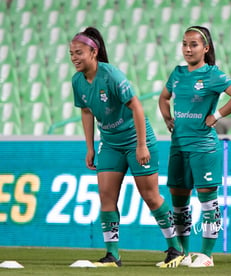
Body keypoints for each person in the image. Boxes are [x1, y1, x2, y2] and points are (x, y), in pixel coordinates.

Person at [70, 26, 184, 268]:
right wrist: (90, 147)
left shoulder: (112, 76)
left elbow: (137, 108)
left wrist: (141, 146)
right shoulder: (77, 81)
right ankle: (113, 255)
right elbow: (86, 111)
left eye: (79, 52)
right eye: (71, 54)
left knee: (151, 197)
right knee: (106, 197)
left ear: (94, 52)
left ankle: (176, 248)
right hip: (110, 144)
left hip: (136, 140)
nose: (74, 58)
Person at [158, 26, 231, 268]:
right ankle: (184, 253)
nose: (188, 49)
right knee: (179, 203)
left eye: (194, 44)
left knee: (208, 203)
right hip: (178, 146)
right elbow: (163, 98)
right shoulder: (177, 73)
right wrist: (167, 118)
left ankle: (207, 255)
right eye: (185, 44)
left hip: (203, 147)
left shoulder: (213, 75)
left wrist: (216, 115)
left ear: (205, 48)